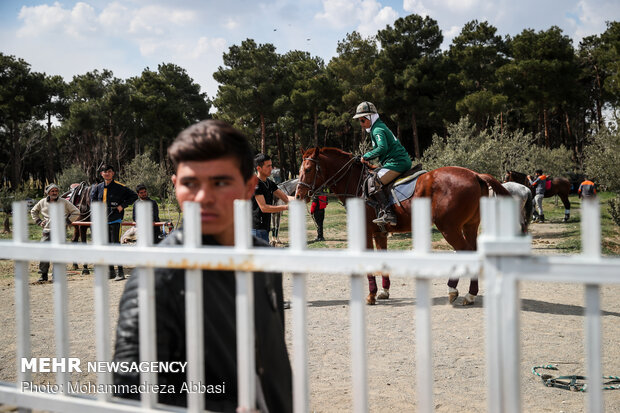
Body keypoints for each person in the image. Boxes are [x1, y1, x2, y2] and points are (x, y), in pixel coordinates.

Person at [113, 120, 292, 412]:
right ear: (175, 186)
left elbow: (270, 358)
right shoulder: (158, 276)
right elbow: (131, 390)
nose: (203, 197)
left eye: (220, 182)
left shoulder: (263, 258)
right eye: (190, 183)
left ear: (249, 187)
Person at [353, 101, 412, 226]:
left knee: (373, 182)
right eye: (360, 121)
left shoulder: (377, 130)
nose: (361, 124)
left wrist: (366, 156)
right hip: (395, 162)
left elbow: (382, 148)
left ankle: (389, 214)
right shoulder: (378, 127)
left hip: (397, 163)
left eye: (362, 120)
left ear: (370, 117)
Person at [90, 164, 138, 280]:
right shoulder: (97, 188)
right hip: (102, 222)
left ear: (113, 173)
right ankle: (111, 271)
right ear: (101, 174)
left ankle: (120, 272)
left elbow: (134, 196)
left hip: (115, 219)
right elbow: (93, 202)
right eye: (104, 171)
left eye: (109, 171)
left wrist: (122, 205)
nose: (107, 173)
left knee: (115, 244)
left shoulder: (120, 187)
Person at [30, 183, 80, 282]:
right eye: (52, 191)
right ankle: (43, 275)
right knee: (44, 253)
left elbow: (76, 212)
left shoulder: (64, 202)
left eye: (56, 191)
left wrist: (67, 221)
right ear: (48, 192)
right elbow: (33, 211)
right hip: (47, 231)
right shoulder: (42, 202)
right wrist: (39, 222)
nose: (54, 193)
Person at [251, 153, 292, 243]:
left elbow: (285, 197)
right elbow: (264, 208)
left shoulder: (269, 183)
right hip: (255, 230)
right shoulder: (256, 184)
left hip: (265, 228)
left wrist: (300, 199)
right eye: (268, 166)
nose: (271, 168)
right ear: (259, 168)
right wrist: (286, 207)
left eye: (271, 165)